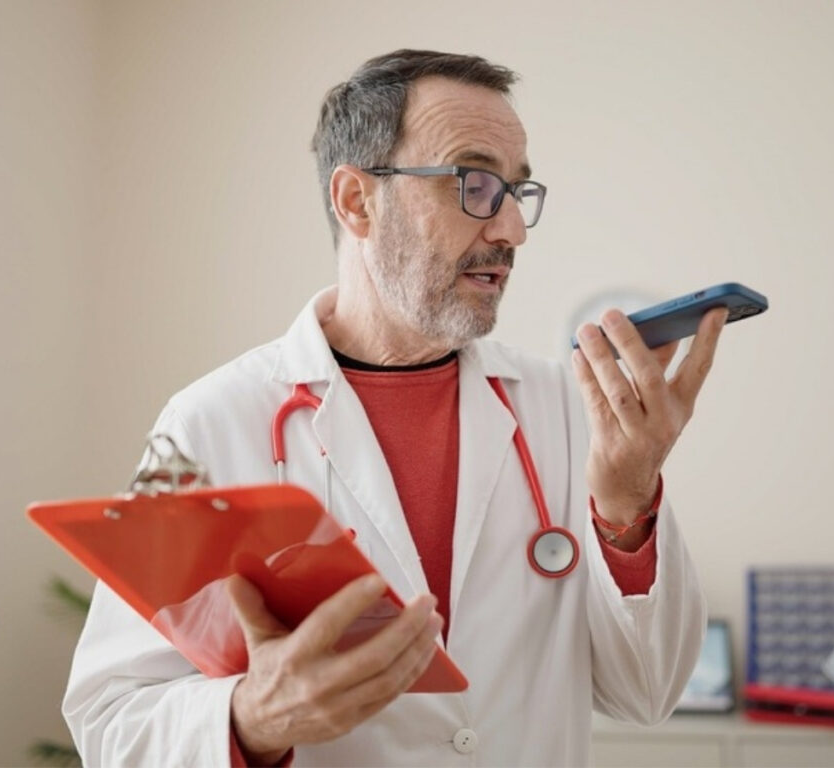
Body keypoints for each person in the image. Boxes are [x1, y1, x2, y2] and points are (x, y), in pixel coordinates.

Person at [63, 49, 727, 767]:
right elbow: (111, 720)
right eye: (474, 184)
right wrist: (253, 718)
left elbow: (647, 691)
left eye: (516, 190)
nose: (512, 230)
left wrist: (627, 506)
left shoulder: (566, 414)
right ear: (356, 201)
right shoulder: (210, 423)